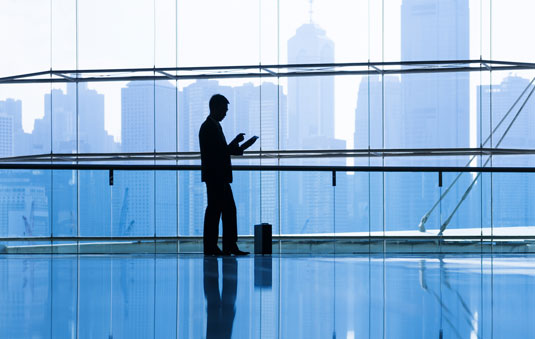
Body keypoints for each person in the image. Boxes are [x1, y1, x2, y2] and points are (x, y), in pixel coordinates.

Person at [199, 94, 258, 256]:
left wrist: (235, 145)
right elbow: (217, 153)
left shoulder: (214, 126)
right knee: (218, 211)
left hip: (218, 177)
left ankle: (224, 246)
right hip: (216, 177)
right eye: (224, 110)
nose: (225, 113)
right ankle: (218, 246)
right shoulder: (209, 128)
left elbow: (220, 151)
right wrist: (234, 145)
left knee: (223, 211)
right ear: (215, 108)